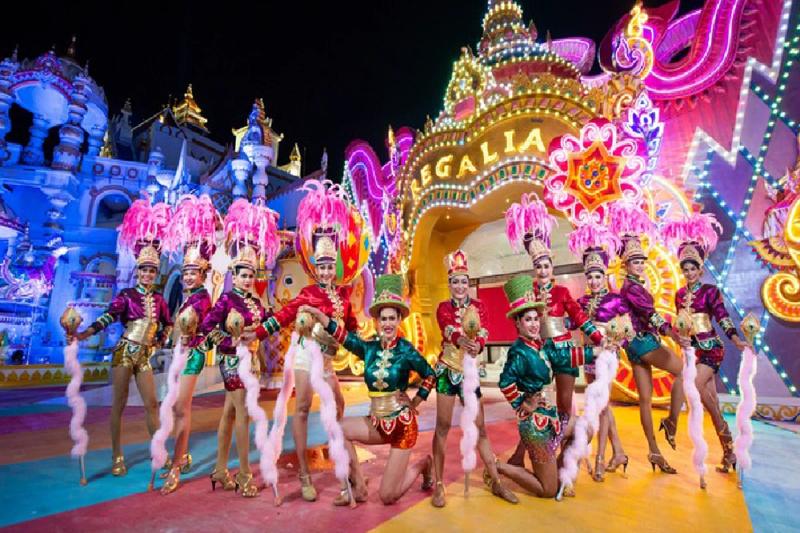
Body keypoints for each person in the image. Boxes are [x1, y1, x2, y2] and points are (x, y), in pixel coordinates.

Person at [304, 274, 435, 506]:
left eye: (391, 318)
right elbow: (346, 339)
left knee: (387, 497)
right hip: (376, 423)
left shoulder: (406, 349)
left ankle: (422, 464)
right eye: (383, 318)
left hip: (403, 427)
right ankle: (360, 487)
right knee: (337, 429)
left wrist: (415, 402)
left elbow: (430, 375)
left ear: (398, 320)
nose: (387, 323)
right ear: (376, 321)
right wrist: (324, 319)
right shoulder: (370, 349)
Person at [72, 200, 172, 477]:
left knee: (152, 403)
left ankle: (158, 452)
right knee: (120, 403)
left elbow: (168, 324)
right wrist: (85, 334)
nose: (148, 274)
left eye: (152, 270)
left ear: (156, 272)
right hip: (125, 351)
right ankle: (117, 455)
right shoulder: (126, 296)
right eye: (144, 270)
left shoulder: (161, 300)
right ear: (137, 272)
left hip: (145, 357)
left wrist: (161, 339)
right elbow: (108, 317)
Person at [505, 193, 604, 467]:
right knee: (533, 404)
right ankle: (519, 456)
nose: (543, 269)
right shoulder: (530, 293)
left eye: (546, 265)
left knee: (563, 407)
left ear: (552, 267)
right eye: (538, 265)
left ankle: (564, 459)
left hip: (562, 352)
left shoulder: (561, 292)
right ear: (534, 269)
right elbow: (523, 322)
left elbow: (579, 316)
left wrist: (598, 338)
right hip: (538, 353)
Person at [260, 227, 355, 501]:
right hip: (305, 353)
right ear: (315, 268)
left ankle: (341, 462)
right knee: (302, 406)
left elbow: (351, 328)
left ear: (334, 267)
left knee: (338, 405)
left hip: (326, 360)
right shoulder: (308, 292)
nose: (325, 272)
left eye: (329, 266)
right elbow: (285, 314)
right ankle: (303, 474)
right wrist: (256, 333)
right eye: (321, 266)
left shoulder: (344, 296)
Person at [430, 249, 517, 507]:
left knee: (480, 428)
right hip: (448, 371)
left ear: (469, 283)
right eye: (455, 281)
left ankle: (496, 480)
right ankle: (438, 484)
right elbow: (447, 328)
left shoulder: (479, 306)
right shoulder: (443, 307)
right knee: (443, 427)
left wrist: (479, 344)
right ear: (449, 284)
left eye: (464, 281)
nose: (459, 286)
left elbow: (486, 329)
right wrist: (463, 341)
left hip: (470, 373)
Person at [664, 213, 749, 474]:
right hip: (692, 352)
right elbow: (682, 324)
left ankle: (672, 422)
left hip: (712, 350)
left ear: (700, 269)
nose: (689, 273)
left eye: (693, 268)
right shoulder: (679, 295)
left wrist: (735, 338)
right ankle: (729, 453)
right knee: (710, 403)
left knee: (690, 384)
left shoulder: (711, 291)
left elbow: (721, 317)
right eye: (685, 269)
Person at [610, 201, 685, 474]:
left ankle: (654, 451)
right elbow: (650, 314)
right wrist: (672, 333)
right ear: (627, 264)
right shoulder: (631, 288)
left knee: (644, 400)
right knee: (685, 372)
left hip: (634, 346)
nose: (640, 265)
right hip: (644, 342)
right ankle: (672, 422)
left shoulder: (632, 286)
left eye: (642, 261)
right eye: (635, 262)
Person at [496, 274, 579, 498]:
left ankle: (558, 473)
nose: (534, 324)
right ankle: (497, 468)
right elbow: (504, 382)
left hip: (551, 418)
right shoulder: (519, 351)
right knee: (547, 491)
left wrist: (598, 351)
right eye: (528, 320)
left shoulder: (539, 345)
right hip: (535, 426)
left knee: (582, 428)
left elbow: (566, 356)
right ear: (517, 322)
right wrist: (522, 403)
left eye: (536, 319)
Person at [569, 224, 629, 481]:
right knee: (602, 406)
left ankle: (601, 458)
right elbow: (571, 323)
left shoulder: (616, 299)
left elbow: (628, 330)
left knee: (602, 405)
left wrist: (617, 344)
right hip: (587, 356)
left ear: (605, 275)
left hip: (606, 357)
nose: (593, 281)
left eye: (598, 276)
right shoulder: (582, 302)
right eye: (589, 276)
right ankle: (619, 452)